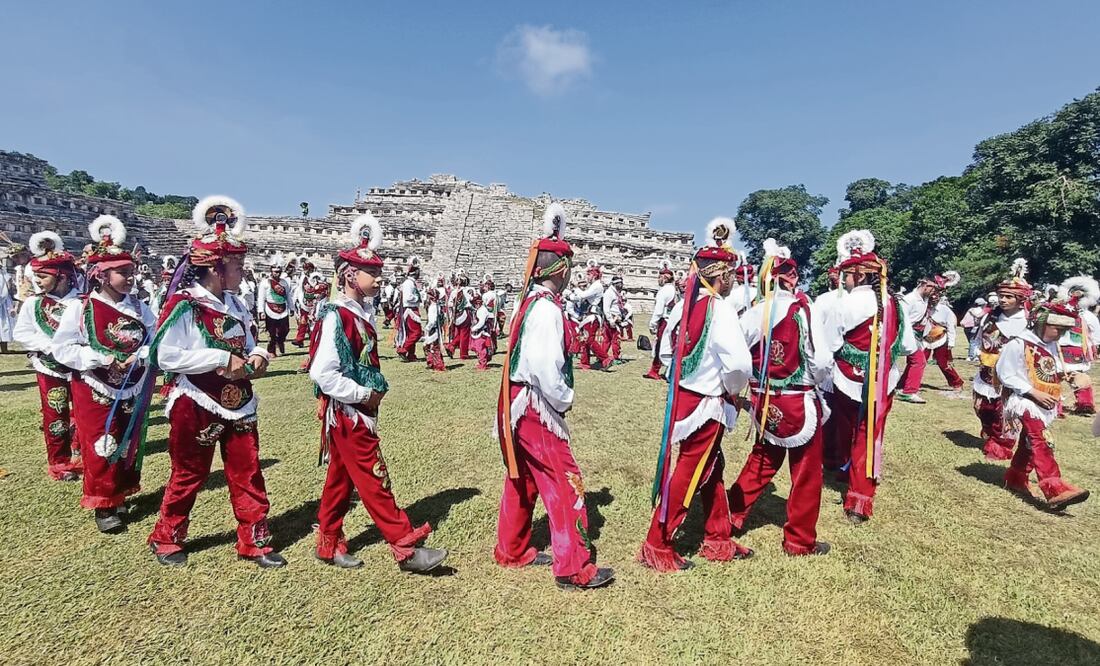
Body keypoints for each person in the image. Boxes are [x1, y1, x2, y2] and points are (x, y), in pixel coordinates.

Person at [147, 196, 282, 568]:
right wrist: (219, 358)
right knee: (190, 472)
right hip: (197, 400)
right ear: (217, 268)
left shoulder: (236, 304)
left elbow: (250, 343)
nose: (243, 270)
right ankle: (167, 536)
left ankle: (254, 539)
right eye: (238, 264)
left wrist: (258, 357)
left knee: (247, 470)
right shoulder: (186, 304)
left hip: (240, 399)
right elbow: (164, 356)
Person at [308, 212, 447, 572]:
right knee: (374, 477)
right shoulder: (336, 316)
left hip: (357, 411)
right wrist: (362, 396)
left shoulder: (361, 313)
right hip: (348, 413)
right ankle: (406, 548)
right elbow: (322, 373)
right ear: (350, 275)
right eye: (374, 274)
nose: (381, 279)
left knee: (340, 481)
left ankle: (329, 542)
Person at [494, 202, 613, 590]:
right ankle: (572, 565)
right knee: (565, 481)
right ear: (559, 270)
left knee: (524, 476)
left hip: (520, 403)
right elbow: (546, 367)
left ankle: (512, 548)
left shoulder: (529, 301)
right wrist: (562, 399)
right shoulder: (545, 309)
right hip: (535, 405)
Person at [640, 217, 754, 572]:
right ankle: (657, 542)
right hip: (708, 403)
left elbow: (665, 351)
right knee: (692, 470)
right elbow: (739, 364)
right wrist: (732, 391)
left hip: (686, 398)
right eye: (731, 274)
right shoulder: (719, 308)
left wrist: (684, 376)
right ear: (721, 275)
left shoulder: (684, 304)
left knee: (711, 467)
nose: (734, 280)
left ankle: (717, 536)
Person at [729, 238, 831, 556]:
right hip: (799, 400)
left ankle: (730, 515)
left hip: (765, 401)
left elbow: (736, 354)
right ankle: (799, 540)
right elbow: (822, 361)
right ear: (793, 278)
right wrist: (815, 382)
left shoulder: (755, 312)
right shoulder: (804, 310)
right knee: (806, 473)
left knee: (761, 461)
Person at [52, 216, 154, 533]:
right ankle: (103, 503)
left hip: (132, 383)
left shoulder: (139, 307)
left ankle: (119, 491)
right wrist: (101, 358)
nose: (130, 279)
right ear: (102, 275)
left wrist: (140, 355)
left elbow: (155, 340)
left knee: (126, 441)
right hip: (95, 386)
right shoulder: (80, 309)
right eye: (123, 273)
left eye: (131, 272)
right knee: (102, 442)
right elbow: (63, 349)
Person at [824, 230, 918, 524]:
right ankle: (859, 498)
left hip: (846, 379)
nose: (845, 280)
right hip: (883, 381)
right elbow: (907, 346)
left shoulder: (845, 303)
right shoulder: (898, 304)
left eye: (847, 275)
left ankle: (842, 469)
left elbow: (830, 344)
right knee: (869, 437)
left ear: (860, 276)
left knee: (844, 427)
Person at [999, 300, 1090, 511]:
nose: (1059, 334)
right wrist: (1033, 392)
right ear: (1041, 323)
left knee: (1029, 443)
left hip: (1043, 402)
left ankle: (1015, 477)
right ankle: (1054, 488)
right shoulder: (1018, 343)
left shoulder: (1051, 346)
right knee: (1042, 441)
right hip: (1023, 401)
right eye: (1056, 328)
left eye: (1064, 330)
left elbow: (1048, 371)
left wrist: (1071, 377)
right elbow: (1006, 374)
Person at [13, 231, 83, 480]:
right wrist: (49, 346)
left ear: (61, 276)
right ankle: (60, 462)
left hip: (80, 366)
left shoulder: (84, 302)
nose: (37, 282)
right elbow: (22, 332)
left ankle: (81, 453)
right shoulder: (34, 304)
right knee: (56, 412)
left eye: (42, 277)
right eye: (37, 277)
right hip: (49, 366)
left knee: (84, 412)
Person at [973, 259, 1032, 461]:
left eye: (1009, 297)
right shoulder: (990, 317)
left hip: (1011, 373)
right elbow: (980, 337)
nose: (1003, 300)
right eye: (1001, 296)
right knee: (982, 408)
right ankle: (990, 433)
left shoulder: (1027, 322)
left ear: (1020, 299)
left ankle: (1001, 446)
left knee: (1004, 411)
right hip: (986, 371)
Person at [897, 272, 958, 403]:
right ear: (925, 285)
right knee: (918, 361)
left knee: (915, 362)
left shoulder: (924, 300)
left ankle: (902, 387)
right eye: (933, 289)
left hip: (918, 336)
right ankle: (908, 391)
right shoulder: (909, 300)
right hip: (907, 334)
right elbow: (902, 319)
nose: (934, 293)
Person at [1056, 276, 1100, 416]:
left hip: (1078, 350)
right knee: (1055, 376)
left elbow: (1095, 333)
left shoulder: (1087, 316)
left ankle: (1085, 404)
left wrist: (1094, 346)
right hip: (1059, 348)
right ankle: (1054, 406)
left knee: (1079, 376)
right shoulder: (1059, 312)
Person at [922, 289, 965, 397]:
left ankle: (957, 383)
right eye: (931, 297)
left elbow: (951, 326)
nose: (933, 299)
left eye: (935, 297)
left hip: (941, 338)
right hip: (925, 338)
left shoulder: (945, 310)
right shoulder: (923, 307)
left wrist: (951, 342)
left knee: (943, 363)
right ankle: (906, 383)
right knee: (918, 361)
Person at [574, 260, 611, 370]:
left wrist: (576, 288)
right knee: (585, 338)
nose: (587, 277)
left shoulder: (597, 286)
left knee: (589, 339)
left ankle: (605, 358)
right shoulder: (594, 285)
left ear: (594, 275)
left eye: (589, 274)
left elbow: (583, 295)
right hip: (589, 315)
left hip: (593, 316)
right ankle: (585, 362)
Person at [644, 260, 678, 380]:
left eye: (660, 276)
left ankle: (664, 370)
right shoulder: (673, 289)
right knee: (666, 345)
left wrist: (653, 323)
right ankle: (656, 369)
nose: (658, 279)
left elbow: (659, 310)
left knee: (661, 345)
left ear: (664, 277)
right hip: (671, 320)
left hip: (664, 320)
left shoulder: (664, 291)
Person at [256, 255, 292, 357]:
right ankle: (271, 350)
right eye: (275, 271)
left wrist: (292, 308)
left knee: (285, 329)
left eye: (279, 272)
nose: (277, 273)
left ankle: (280, 341)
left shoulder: (284, 282)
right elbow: (261, 298)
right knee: (271, 332)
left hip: (283, 309)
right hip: (270, 309)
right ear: (271, 272)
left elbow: (288, 295)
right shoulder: (265, 283)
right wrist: (261, 311)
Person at [395, 256, 423, 361]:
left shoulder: (410, 283)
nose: (419, 274)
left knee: (411, 333)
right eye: (418, 272)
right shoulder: (408, 283)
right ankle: (404, 349)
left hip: (411, 309)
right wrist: (417, 298)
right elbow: (408, 298)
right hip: (410, 310)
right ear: (414, 273)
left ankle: (411, 355)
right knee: (417, 333)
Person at [602, 274, 629, 363]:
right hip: (612, 318)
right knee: (614, 338)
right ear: (615, 283)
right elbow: (606, 307)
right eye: (620, 283)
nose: (621, 285)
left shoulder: (616, 293)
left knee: (608, 339)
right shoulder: (609, 293)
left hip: (616, 317)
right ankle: (615, 356)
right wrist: (610, 319)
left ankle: (602, 355)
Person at [422, 279, 447, 372]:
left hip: (433, 330)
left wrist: (426, 328)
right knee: (432, 347)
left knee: (431, 347)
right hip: (437, 330)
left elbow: (432, 321)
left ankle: (436, 364)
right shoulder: (438, 306)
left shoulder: (433, 307)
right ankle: (432, 362)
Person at [470, 291, 493, 370]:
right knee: (477, 347)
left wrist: (474, 328)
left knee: (481, 348)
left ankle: (483, 363)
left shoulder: (482, 310)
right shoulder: (479, 310)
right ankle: (481, 362)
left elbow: (481, 322)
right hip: (478, 331)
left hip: (482, 332)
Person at [961, 297, 988, 362]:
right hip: (974, 327)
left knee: (971, 342)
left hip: (966, 327)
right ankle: (971, 356)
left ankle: (975, 355)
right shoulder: (981, 311)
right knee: (973, 341)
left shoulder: (971, 309)